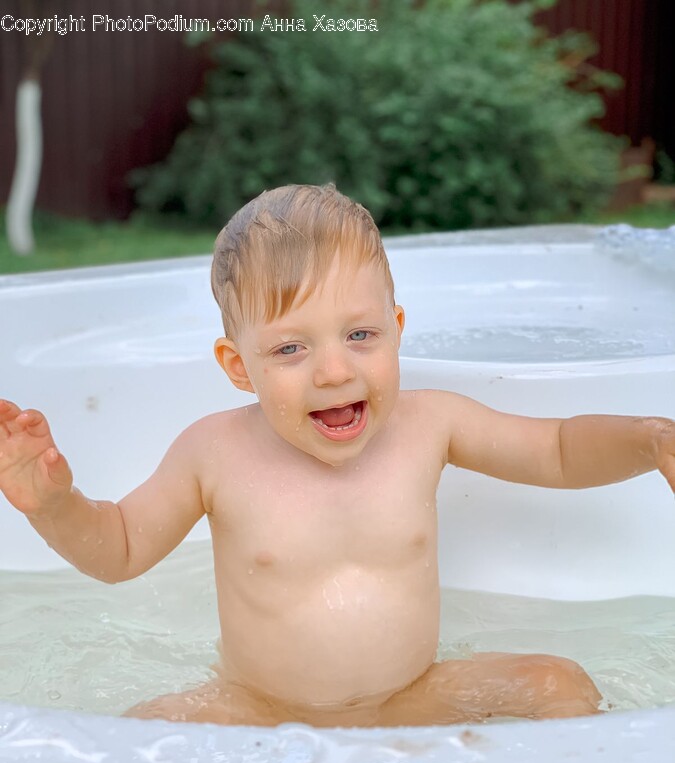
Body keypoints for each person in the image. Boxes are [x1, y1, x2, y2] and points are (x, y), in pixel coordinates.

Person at [1, 184, 673, 729]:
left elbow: (554, 450)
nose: (332, 370)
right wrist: (55, 505)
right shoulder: (213, 452)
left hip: (412, 697)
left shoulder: (429, 423)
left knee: (556, 681)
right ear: (239, 366)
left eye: (359, 334)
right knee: (142, 731)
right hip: (257, 713)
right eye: (290, 349)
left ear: (396, 330)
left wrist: (647, 439)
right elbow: (118, 550)